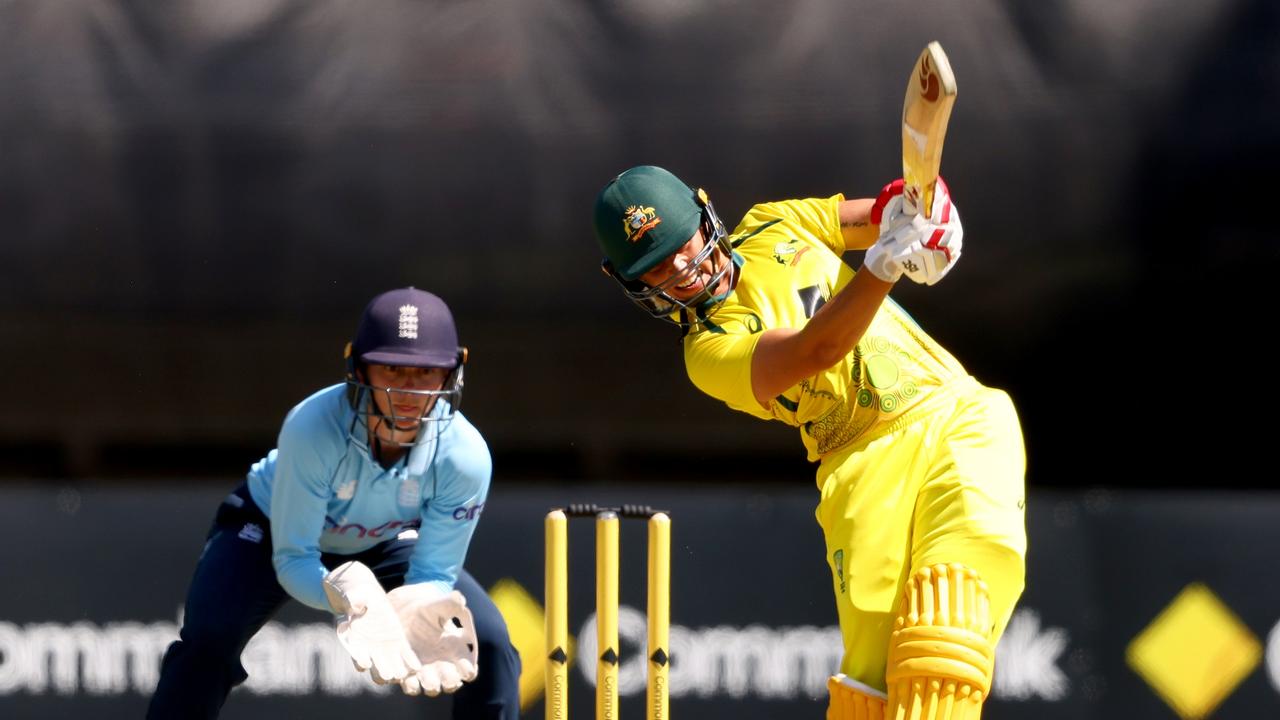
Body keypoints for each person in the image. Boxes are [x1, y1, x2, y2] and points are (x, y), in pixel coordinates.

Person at [592, 166, 1025, 719]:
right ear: (628, 279)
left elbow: (881, 213)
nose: (678, 267)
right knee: (872, 691)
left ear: (705, 215)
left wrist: (924, 214)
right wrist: (885, 264)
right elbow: (813, 351)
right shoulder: (706, 353)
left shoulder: (775, 222)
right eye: (652, 265)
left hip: (954, 416)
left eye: (682, 244)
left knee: (942, 635)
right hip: (859, 472)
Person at [148, 287, 522, 719]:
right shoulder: (313, 428)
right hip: (269, 529)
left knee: (490, 642)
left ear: (452, 374)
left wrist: (419, 602)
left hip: (385, 537)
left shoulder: (466, 456)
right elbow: (294, 559)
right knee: (211, 637)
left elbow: (434, 573)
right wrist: (350, 601)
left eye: (425, 371)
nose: (408, 389)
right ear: (359, 368)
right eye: (391, 369)